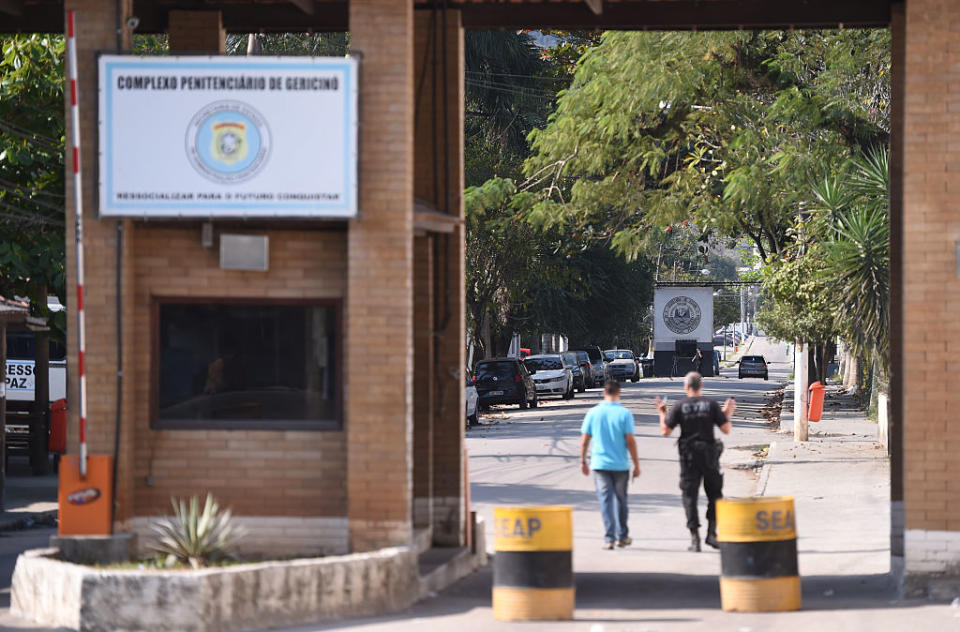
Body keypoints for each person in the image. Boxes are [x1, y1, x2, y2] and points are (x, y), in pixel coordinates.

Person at [655, 372, 735, 552]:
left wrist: (662, 413)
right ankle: (712, 534)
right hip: (709, 455)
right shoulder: (711, 405)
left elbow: (665, 431)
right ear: (702, 386)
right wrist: (728, 413)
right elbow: (726, 429)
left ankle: (695, 539)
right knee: (715, 494)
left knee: (689, 496)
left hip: (688, 455)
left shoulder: (679, 406)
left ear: (686, 387)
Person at [580, 380, 641, 550]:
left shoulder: (593, 413)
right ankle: (622, 536)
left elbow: (585, 440)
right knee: (621, 500)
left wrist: (582, 461)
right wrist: (636, 464)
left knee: (605, 501)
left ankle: (609, 538)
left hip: (599, 465)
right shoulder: (624, 414)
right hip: (620, 465)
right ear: (619, 393)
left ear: (603, 393)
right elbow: (630, 441)